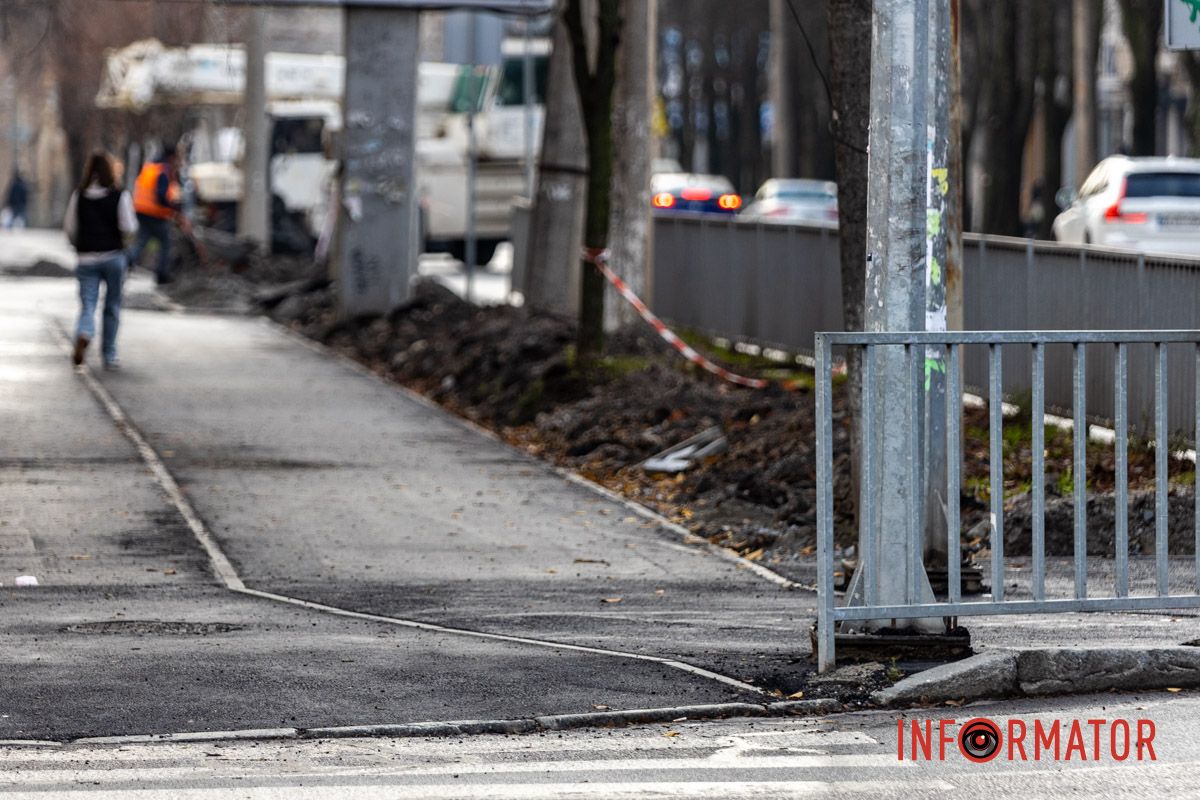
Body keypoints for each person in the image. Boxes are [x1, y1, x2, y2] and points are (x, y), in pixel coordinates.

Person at [64, 150, 138, 370]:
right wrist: (125, 243)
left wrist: (78, 245)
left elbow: (70, 228)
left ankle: (84, 332)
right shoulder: (120, 196)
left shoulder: (79, 196)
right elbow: (129, 227)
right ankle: (109, 354)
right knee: (112, 305)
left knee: (88, 303)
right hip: (114, 257)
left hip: (86, 258)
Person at [126, 144, 182, 284]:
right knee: (166, 242)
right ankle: (162, 273)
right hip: (154, 212)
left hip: (141, 209)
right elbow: (160, 195)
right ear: (172, 157)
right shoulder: (164, 170)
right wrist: (172, 207)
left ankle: (126, 262)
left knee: (142, 240)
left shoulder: (151, 167)